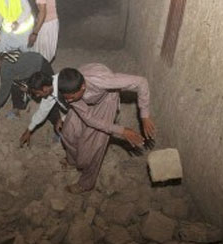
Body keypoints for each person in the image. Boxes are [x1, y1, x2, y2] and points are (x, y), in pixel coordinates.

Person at [57, 64, 156, 194]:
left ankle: (86, 184)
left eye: (71, 97)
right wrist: (122, 131)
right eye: (66, 97)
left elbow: (141, 82)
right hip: (84, 102)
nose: (68, 101)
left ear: (82, 87)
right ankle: (72, 161)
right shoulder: (70, 89)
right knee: (68, 131)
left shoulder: (103, 81)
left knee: (94, 145)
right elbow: (88, 118)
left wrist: (144, 115)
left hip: (106, 100)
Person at [0, 49, 52, 127]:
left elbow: (3, 91)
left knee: (51, 92)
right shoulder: (5, 55)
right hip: (39, 59)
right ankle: (18, 107)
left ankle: (22, 105)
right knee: (15, 81)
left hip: (41, 68)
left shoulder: (6, 68)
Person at [19, 70, 66, 147]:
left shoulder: (64, 88)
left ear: (45, 88)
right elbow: (42, 111)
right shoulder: (51, 88)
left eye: (37, 93)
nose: (37, 96)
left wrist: (62, 119)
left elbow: (77, 108)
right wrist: (29, 130)